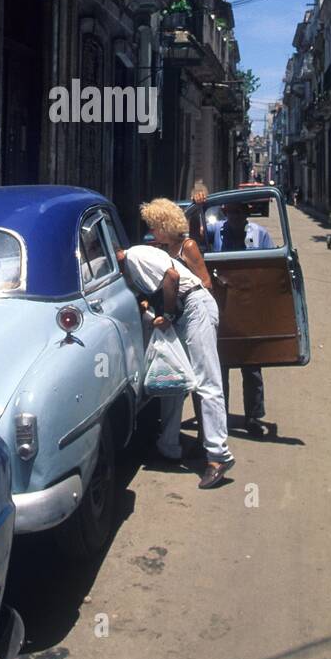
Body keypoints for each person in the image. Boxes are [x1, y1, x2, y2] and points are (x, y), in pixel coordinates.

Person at [119, 199, 235, 489]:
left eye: (153, 226)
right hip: (186, 309)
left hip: (194, 306)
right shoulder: (150, 252)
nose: (151, 231)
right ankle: (168, 445)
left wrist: (168, 313)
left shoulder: (135, 256)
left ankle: (218, 456)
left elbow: (172, 278)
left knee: (207, 381)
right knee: (173, 377)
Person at [206, 200, 274, 436]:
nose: (235, 215)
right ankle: (219, 417)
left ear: (247, 213)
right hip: (222, 304)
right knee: (221, 366)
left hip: (248, 306)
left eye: (240, 211)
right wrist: (200, 205)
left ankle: (254, 417)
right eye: (231, 211)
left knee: (251, 366)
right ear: (225, 212)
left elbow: (271, 267)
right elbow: (194, 234)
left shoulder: (260, 234)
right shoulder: (215, 231)